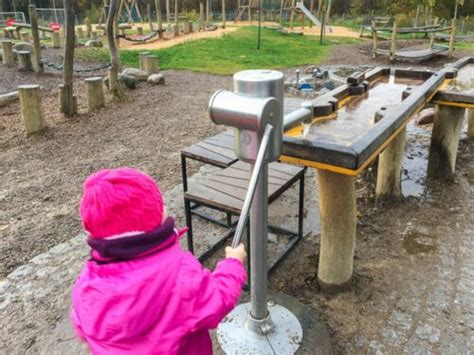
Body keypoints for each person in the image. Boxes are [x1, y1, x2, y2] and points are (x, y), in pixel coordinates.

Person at [71, 168, 247, 354]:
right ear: (155, 218)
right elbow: (217, 301)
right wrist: (233, 264)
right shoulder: (180, 273)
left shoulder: (86, 283)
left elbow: (82, 322)